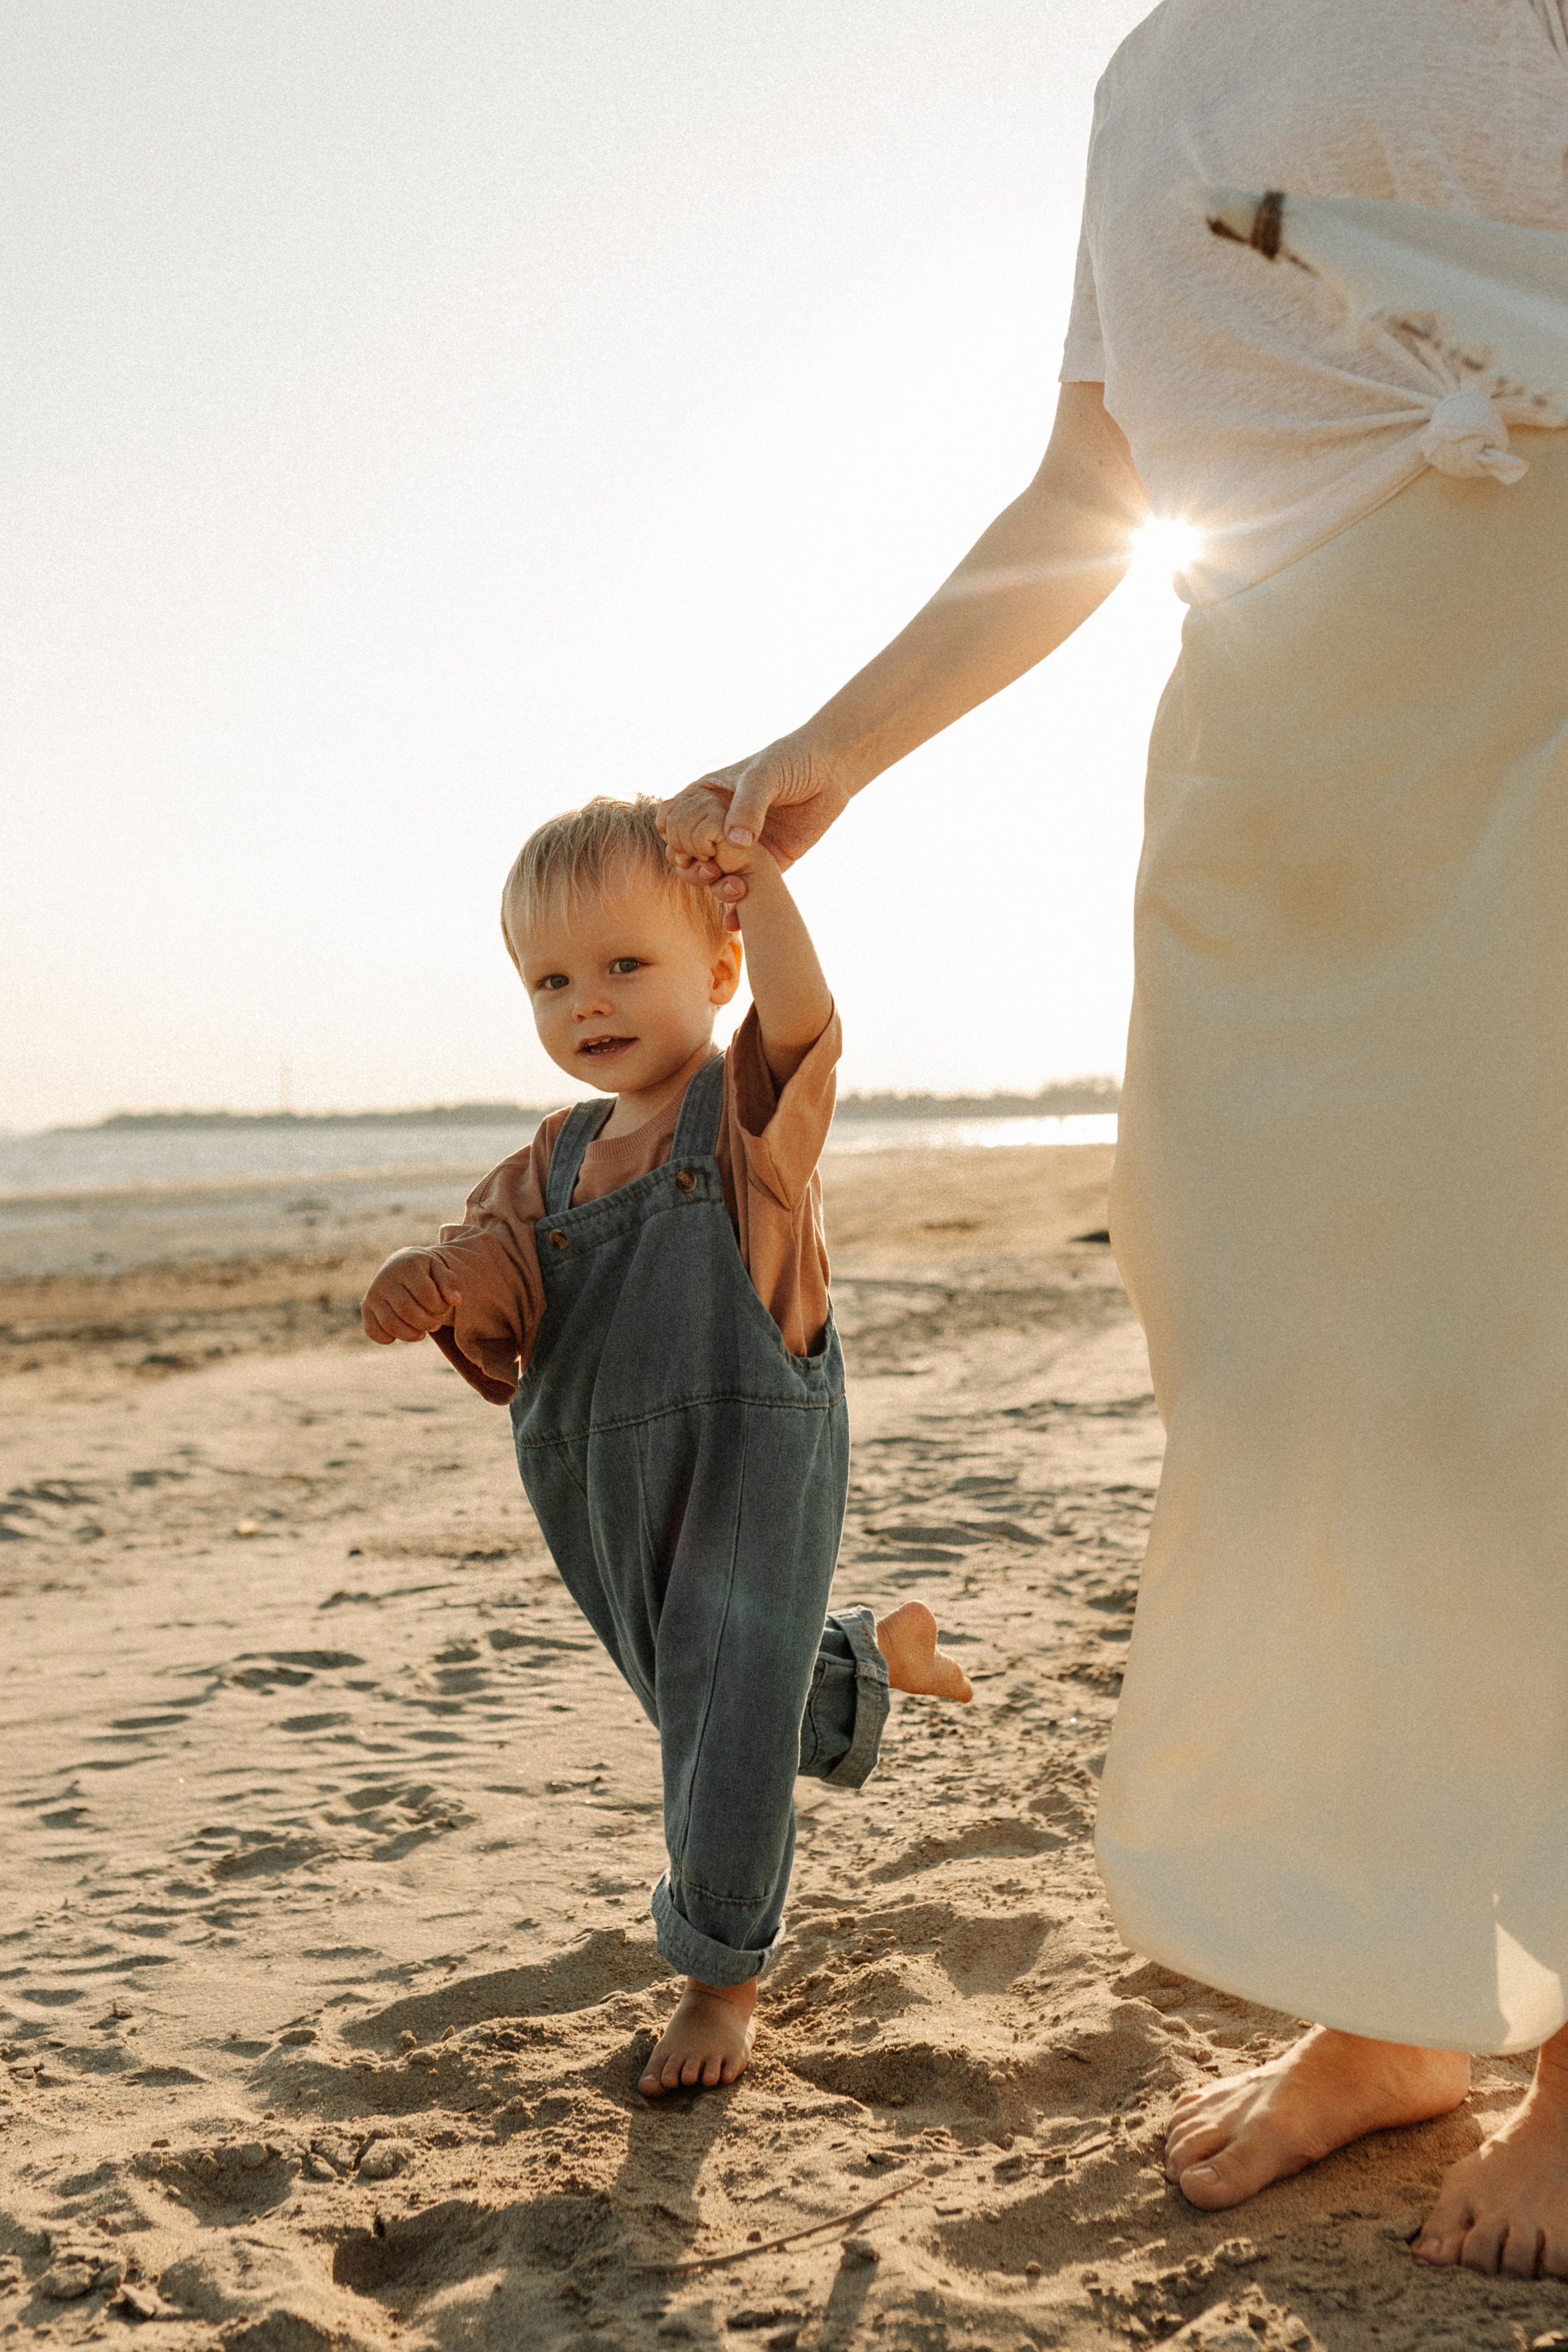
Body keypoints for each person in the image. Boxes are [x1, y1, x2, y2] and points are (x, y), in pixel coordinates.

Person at [659, 0, 1568, 2278]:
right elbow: (1096, 488)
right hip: (1279, 780)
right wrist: (829, 755)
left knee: (1530, 1373)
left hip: (1538, 690)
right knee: (1303, 1388)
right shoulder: (1146, 82)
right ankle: (1399, 2003)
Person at [360, 794, 971, 2097]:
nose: (588, 999)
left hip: (745, 1446)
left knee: (722, 1699)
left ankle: (719, 1979)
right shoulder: (549, 1163)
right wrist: (434, 1284)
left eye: (625, 964)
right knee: (704, 1701)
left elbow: (808, 1025)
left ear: (718, 968)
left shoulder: (742, 1118)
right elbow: (499, 1276)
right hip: (596, 1481)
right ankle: (865, 1662)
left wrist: (757, 876)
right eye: (550, 980)